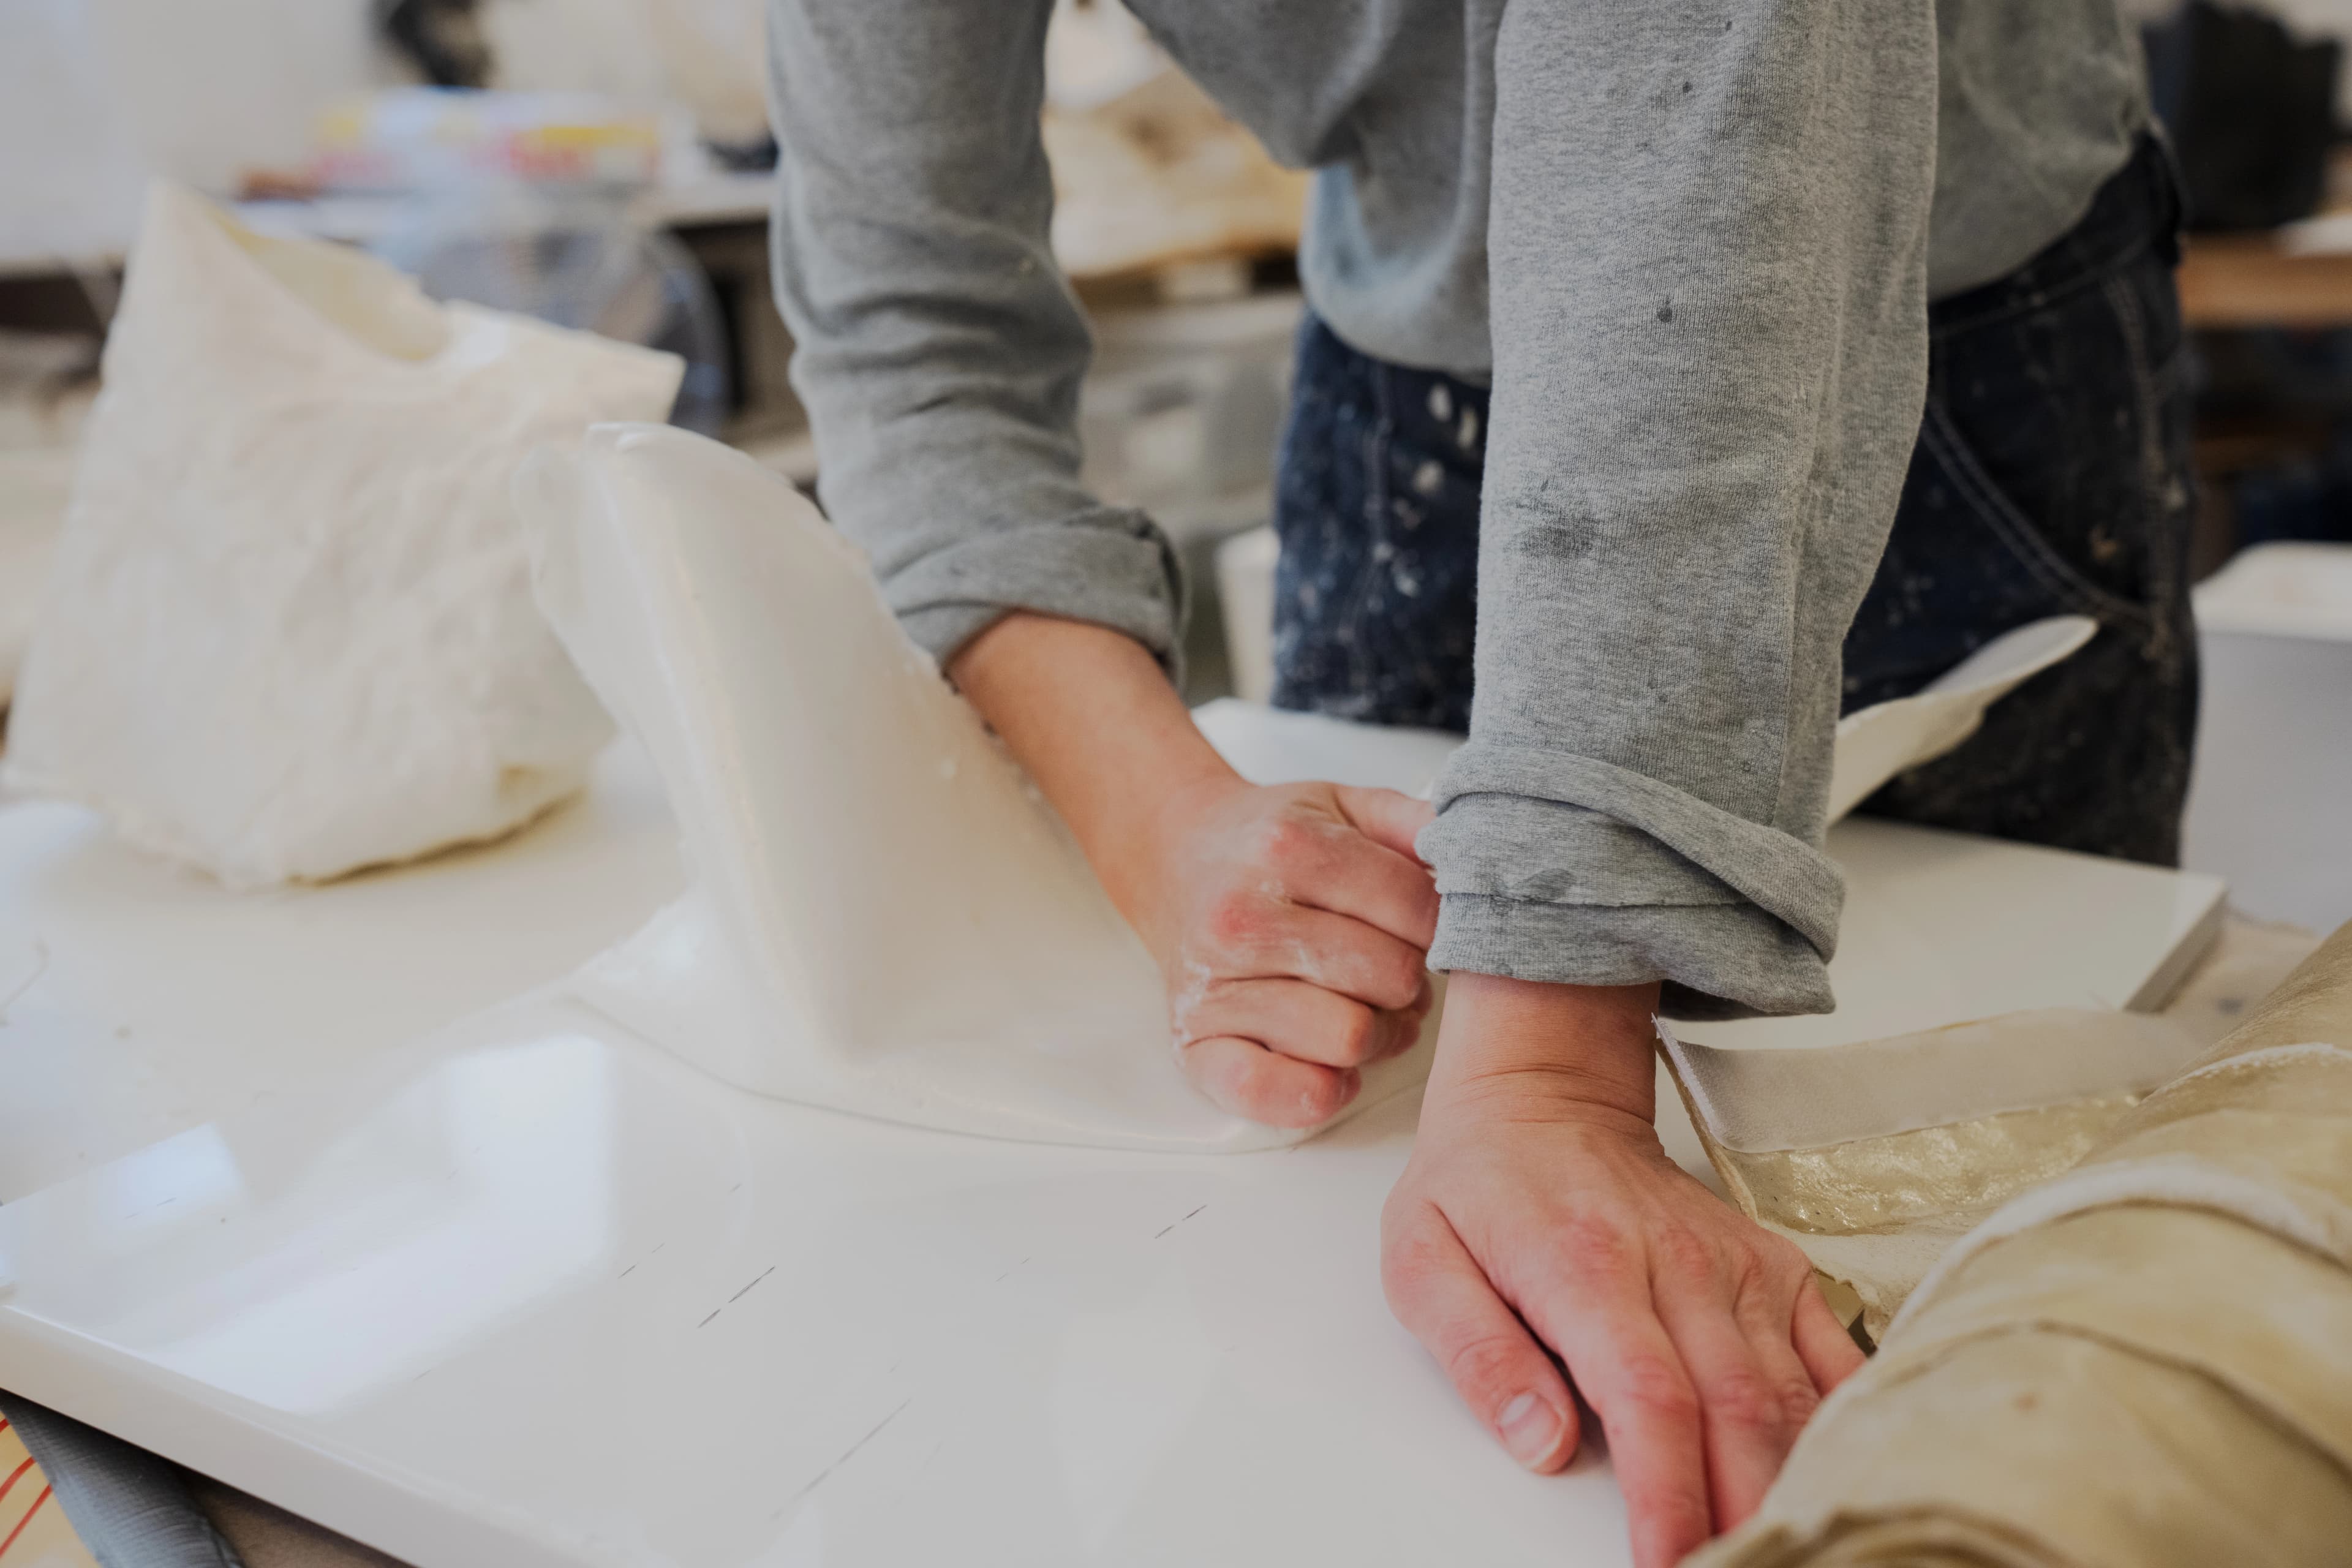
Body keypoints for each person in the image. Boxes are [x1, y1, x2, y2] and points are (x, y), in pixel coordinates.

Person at [763, 4, 2195, 1563]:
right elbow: (910, 330)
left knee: (2042, 1193)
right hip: (1406, 356)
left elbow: (1686, 81)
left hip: (1939, 323)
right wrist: (1167, 834)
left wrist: (1547, 1074)